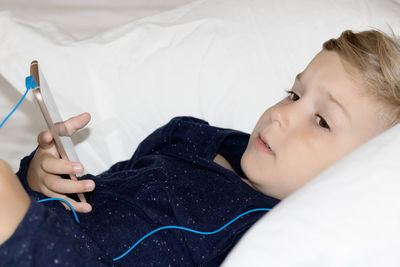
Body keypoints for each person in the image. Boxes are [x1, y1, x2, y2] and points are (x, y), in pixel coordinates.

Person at [1, 29, 399, 266]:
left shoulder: (262, 237)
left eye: (322, 121)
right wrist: (40, 176)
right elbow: (89, 195)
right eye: (293, 95)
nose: (282, 115)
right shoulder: (188, 135)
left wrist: (23, 229)